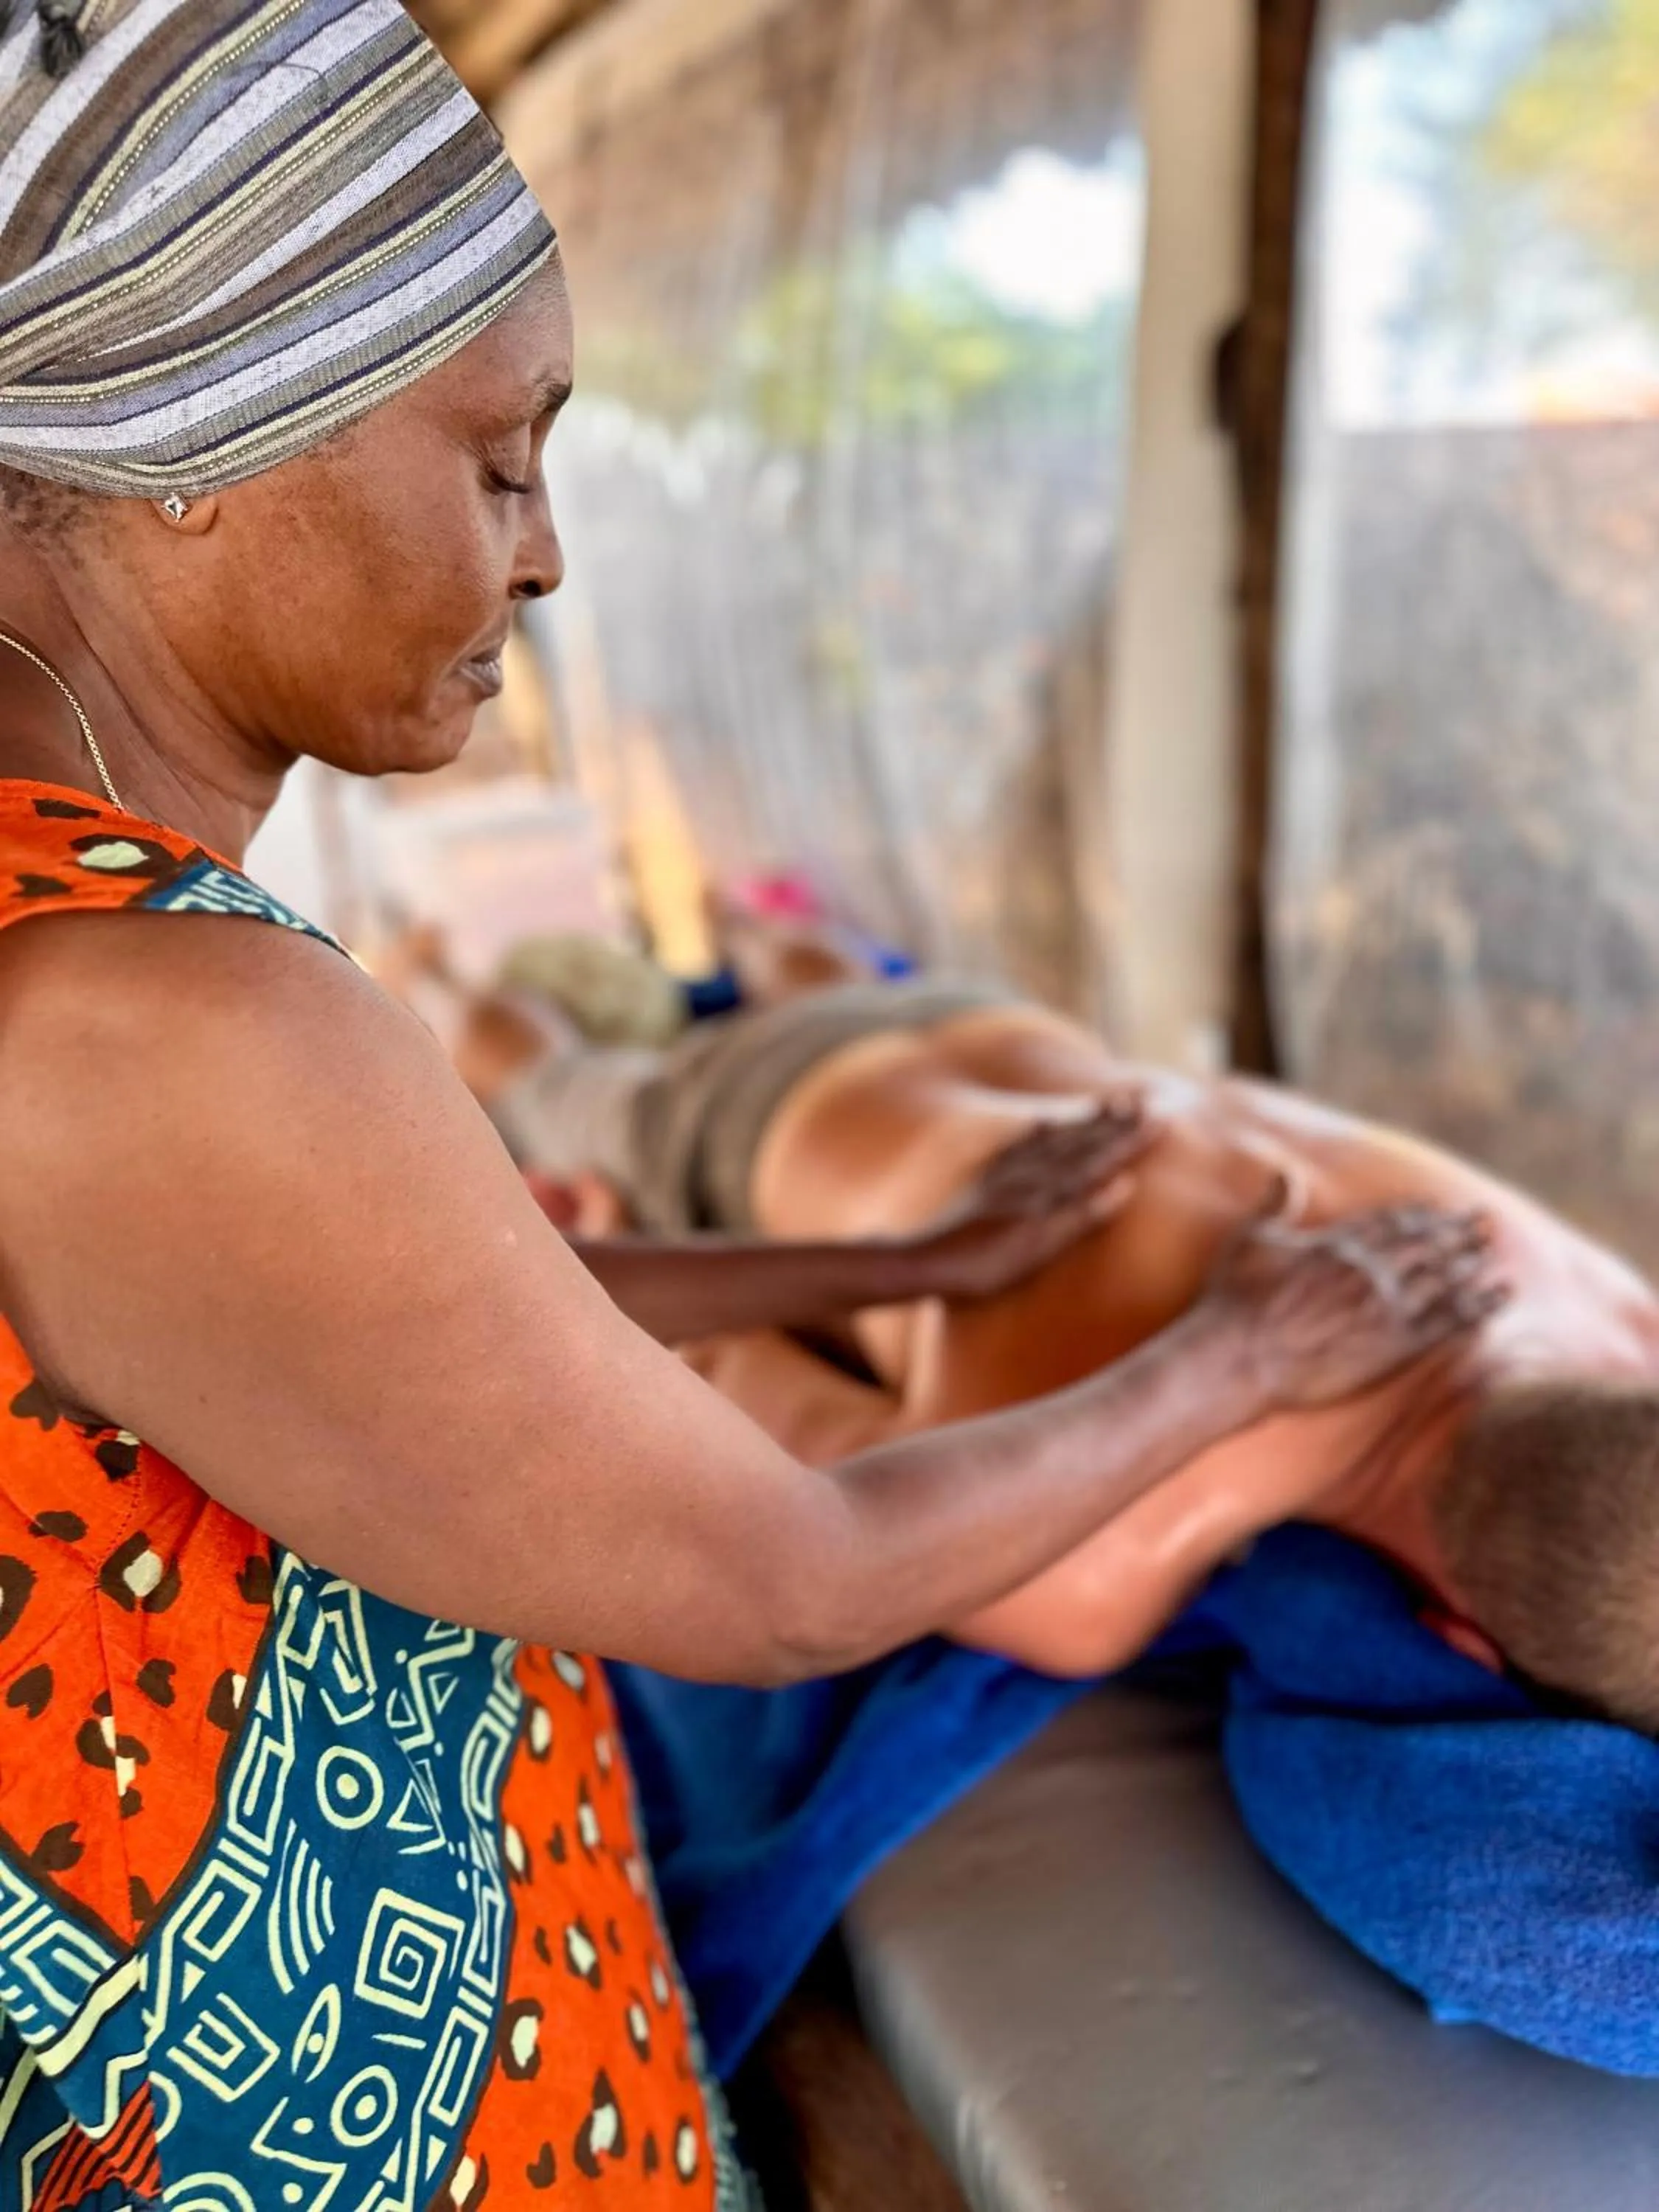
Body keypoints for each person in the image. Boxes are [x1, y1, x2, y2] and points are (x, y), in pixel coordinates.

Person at [0, 5, 1500, 2205]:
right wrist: (1237, 1357)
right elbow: (789, 1583)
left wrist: (896, 1264)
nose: (544, 560)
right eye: (499, 459)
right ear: (197, 443)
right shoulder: (158, 1012)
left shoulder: (93, 958)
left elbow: (398, 1314)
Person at [432, 965, 1659, 1733]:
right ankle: (449, 983)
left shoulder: (1612, 1303)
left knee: (781, 978)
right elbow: (726, 1385)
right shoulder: (1085, 1563)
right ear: (1459, 1644)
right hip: (752, 1118)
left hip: (986, 1015)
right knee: (534, 1064)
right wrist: (614, 1237)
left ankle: (779, 957)